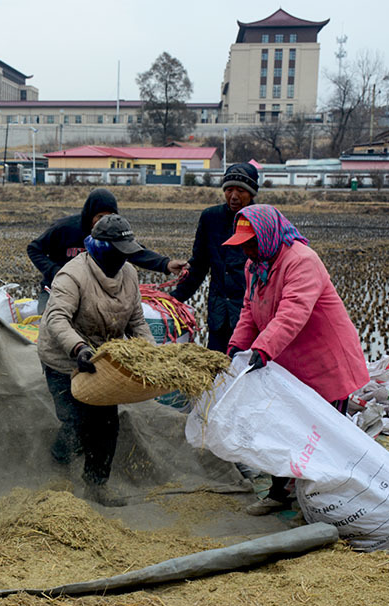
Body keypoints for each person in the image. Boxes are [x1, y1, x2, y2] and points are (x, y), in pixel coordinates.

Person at [222, 205, 368, 516]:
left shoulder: (302, 261)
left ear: (267, 235)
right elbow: (250, 310)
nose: (246, 250)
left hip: (325, 362)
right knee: (281, 427)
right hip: (288, 361)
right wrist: (236, 347)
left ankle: (323, 503)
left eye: (251, 242)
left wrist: (262, 350)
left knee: (324, 435)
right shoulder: (255, 266)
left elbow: (293, 312)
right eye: (243, 244)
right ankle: (279, 493)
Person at [37, 214, 156, 507]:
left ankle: (96, 484)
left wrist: (153, 353)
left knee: (106, 424)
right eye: (118, 251)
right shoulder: (72, 275)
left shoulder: (129, 275)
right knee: (75, 422)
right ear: (102, 249)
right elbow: (56, 318)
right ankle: (58, 462)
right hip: (65, 358)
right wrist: (78, 348)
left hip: (102, 360)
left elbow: (137, 321)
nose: (123, 258)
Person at [27, 188, 187, 314]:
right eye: (100, 216)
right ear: (90, 215)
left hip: (92, 291)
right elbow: (34, 249)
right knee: (49, 320)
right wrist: (55, 271)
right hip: (57, 288)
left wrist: (166, 264)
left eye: (110, 216)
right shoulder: (64, 228)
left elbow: (135, 252)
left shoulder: (111, 231)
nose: (104, 221)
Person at [170, 162, 259, 352]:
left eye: (241, 191)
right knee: (217, 369)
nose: (234, 196)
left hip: (249, 315)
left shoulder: (261, 220)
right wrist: (174, 299)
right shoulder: (211, 218)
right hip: (219, 314)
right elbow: (199, 265)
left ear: (251, 193)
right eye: (229, 189)